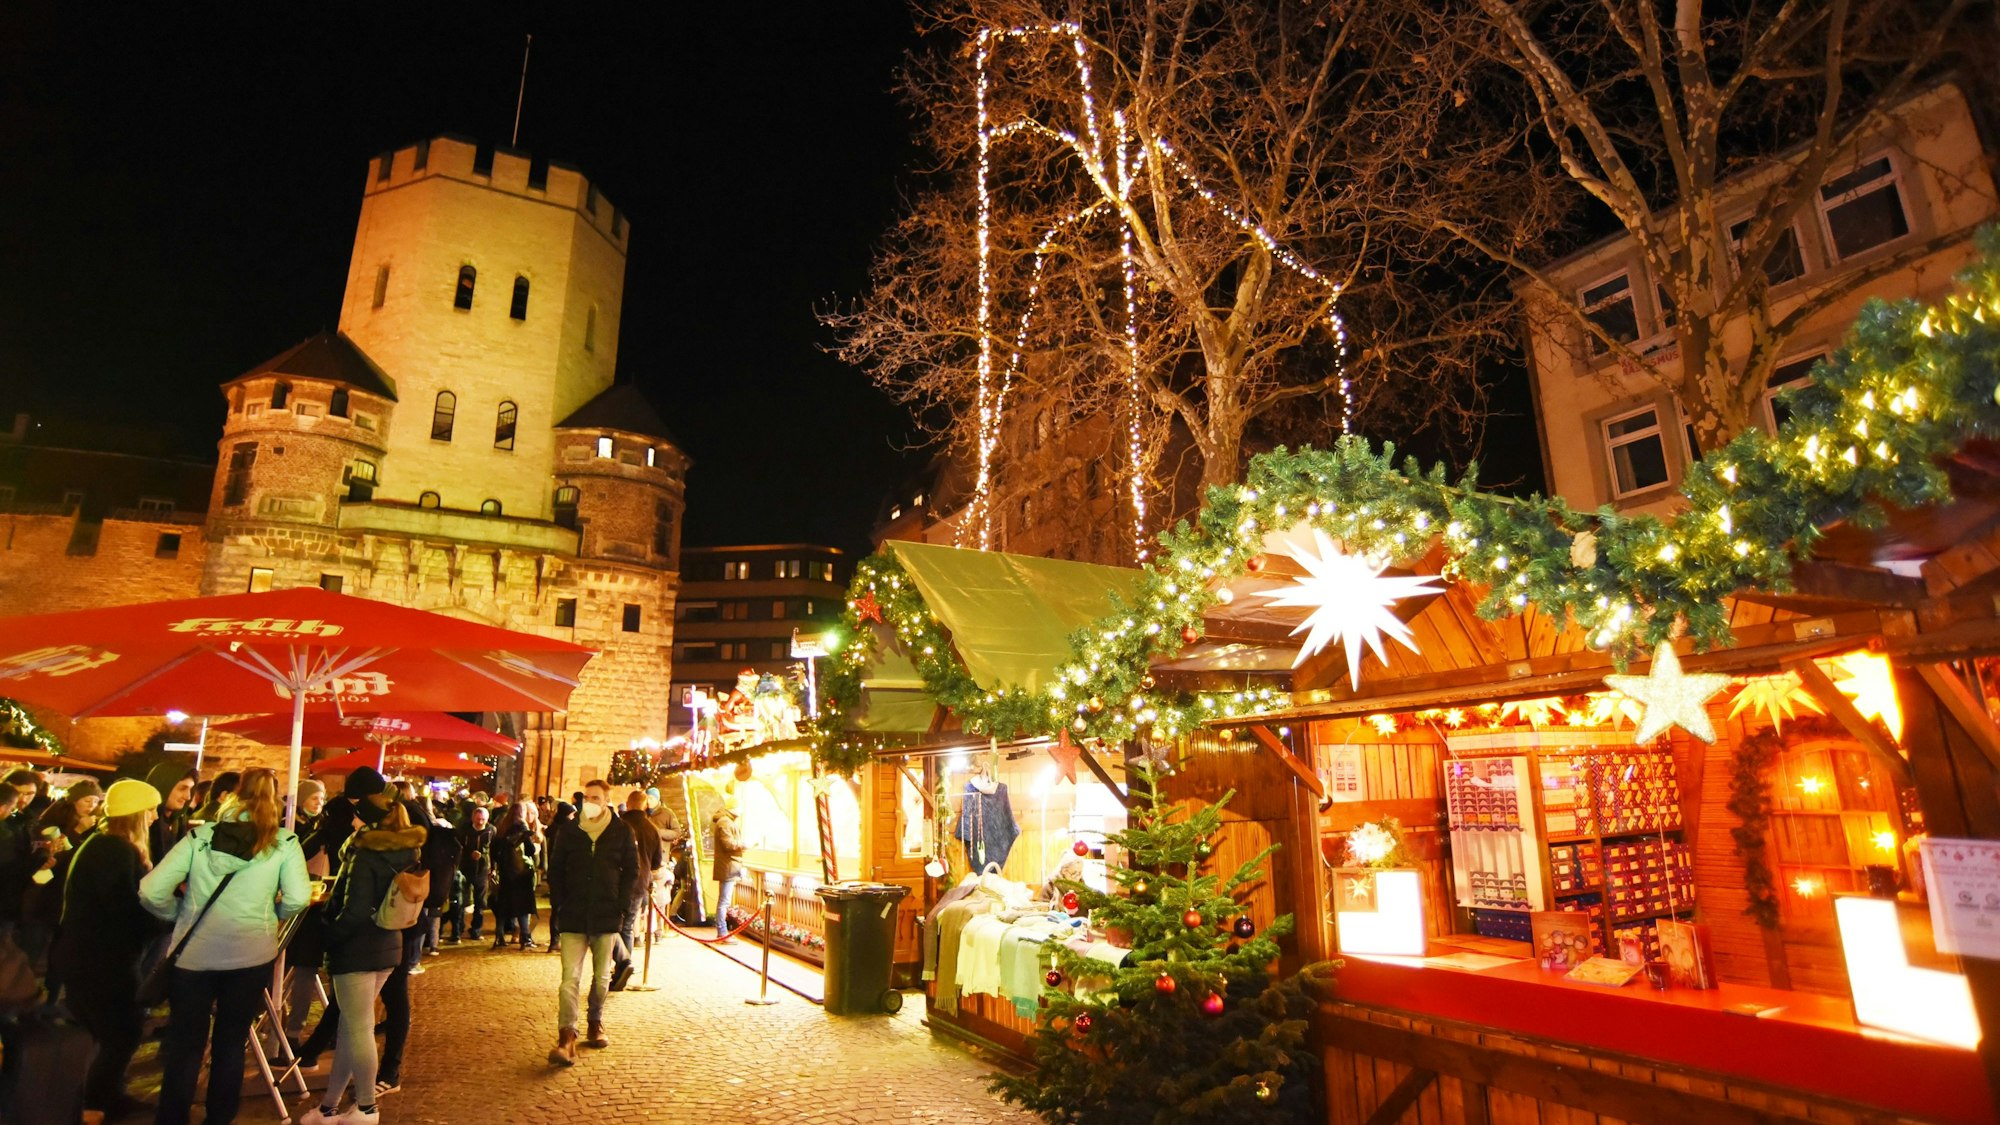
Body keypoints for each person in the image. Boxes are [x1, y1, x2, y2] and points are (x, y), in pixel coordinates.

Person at [140, 767, 310, 1125]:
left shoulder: (198, 838)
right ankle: (219, 1118)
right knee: (230, 1043)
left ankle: (171, 1118)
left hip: (195, 954)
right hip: (251, 953)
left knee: (186, 1045)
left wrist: (178, 913)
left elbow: (151, 890)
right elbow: (298, 898)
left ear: (235, 794)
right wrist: (271, 913)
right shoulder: (284, 843)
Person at [300, 766, 425, 1125]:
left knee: (358, 1029)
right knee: (351, 1028)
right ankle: (329, 1107)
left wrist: (330, 935)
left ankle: (367, 1108)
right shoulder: (407, 845)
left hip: (358, 948)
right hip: (389, 944)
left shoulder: (364, 851)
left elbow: (353, 910)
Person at [54, 778, 165, 1124]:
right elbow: (121, 910)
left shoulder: (106, 845)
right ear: (135, 813)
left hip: (93, 956)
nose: (155, 816)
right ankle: (95, 1104)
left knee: (116, 1031)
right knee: (123, 1031)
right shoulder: (113, 850)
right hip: (100, 960)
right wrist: (161, 918)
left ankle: (106, 1097)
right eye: (151, 810)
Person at [545, 779, 636, 1065]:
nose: (590, 801)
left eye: (595, 797)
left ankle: (595, 1020)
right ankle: (566, 1036)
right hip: (573, 913)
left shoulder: (621, 831)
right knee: (568, 979)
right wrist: (559, 901)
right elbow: (556, 868)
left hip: (606, 915)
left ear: (607, 800)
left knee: (602, 979)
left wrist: (621, 905)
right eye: (586, 797)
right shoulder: (570, 831)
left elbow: (631, 871)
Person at [615, 790, 663, 982]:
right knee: (627, 926)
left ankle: (619, 963)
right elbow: (657, 862)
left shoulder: (619, 825)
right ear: (645, 805)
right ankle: (624, 964)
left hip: (616, 879)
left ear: (628, 803)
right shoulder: (652, 829)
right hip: (639, 881)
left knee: (612, 925)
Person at [490, 800, 541, 949]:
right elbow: (530, 850)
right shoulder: (521, 826)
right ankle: (525, 938)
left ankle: (499, 937)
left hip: (506, 873)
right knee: (523, 907)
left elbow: (494, 850)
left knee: (503, 906)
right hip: (521, 874)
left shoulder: (502, 826)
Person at [450, 805, 493, 944]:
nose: (481, 822)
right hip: (465, 869)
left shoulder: (491, 831)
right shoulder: (464, 830)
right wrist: (469, 855)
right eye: (478, 819)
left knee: (480, 903)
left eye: (483, 819)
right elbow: (459, 847)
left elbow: (493, 850)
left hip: (482, 870)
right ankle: (458, 929)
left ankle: (476, 930)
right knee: (462, 900)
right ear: (473, 818)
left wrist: (491, 865)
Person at [711, 790, 746, 943]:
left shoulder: (725, 821)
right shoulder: (725, 822)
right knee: (724, 901)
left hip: (729, 866)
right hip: (728, 867)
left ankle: (723, 931)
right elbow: (729, 844)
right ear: (733, 808)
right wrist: (744, 844)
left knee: (724, 900)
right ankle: (722, 931)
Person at [145, 763, 198, 862]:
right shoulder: (146, 824)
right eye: (182, 788)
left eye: (191, 789)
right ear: (163, 786)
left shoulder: (178, 822)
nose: (188, 797)